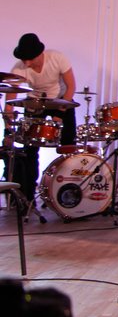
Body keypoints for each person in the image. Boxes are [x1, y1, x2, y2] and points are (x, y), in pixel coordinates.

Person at [3, 33, 78, 208]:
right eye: (24, 59)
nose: (27, 63)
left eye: (29, 59)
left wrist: (60, 113)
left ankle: (68, 190)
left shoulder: (57, 58)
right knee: (30, 150)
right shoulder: (18, 69)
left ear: (39, 54)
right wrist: (8, 127)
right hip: (35, 104)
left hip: (61, 100)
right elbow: (10, 101)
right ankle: (28, 196)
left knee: (68, 146)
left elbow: (71, 86)